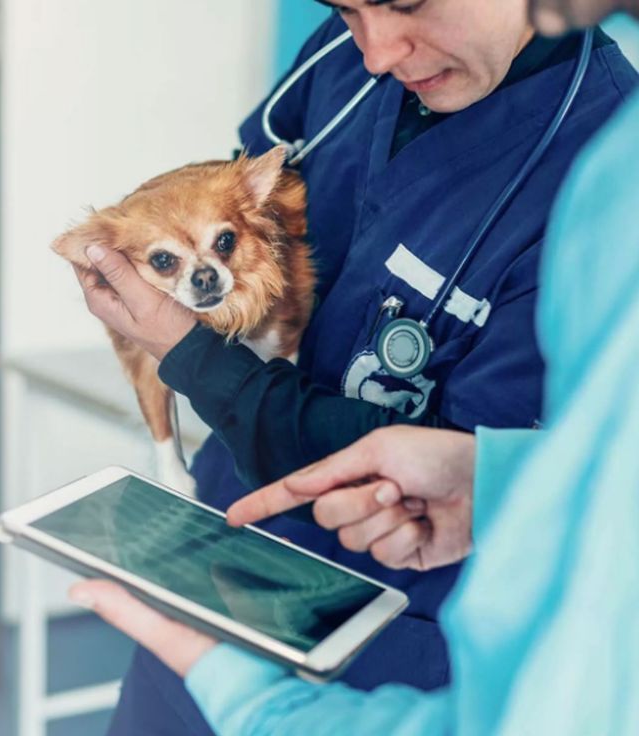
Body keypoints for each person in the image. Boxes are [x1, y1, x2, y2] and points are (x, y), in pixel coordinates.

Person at [70, 3, 639, 733]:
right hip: (214, 566)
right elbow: (239, 195)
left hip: (385, 644)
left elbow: (443, 472)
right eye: (345, 7)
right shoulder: (346, 57)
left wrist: (193, 357)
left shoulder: (603, 178)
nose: (375, 51)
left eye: (408, 3)